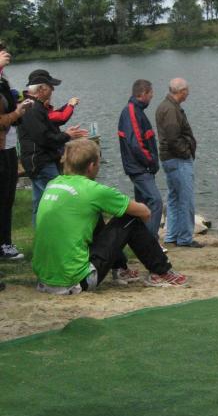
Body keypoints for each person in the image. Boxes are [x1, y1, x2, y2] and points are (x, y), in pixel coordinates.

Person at [32, 139, 188, 293]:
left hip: (45, 280)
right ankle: (162, 272)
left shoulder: (53, 184)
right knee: (130, 218)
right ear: (91, 166)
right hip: (77, 281)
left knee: (93, 214)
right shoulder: (93, 190)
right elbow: (145, 212)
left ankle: (120, 268)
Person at [17, 70, 88, 223]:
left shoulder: (36, 106)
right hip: (41, 162)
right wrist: (67, 135)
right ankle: (62, 230)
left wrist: (66, 134)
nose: (53, 90)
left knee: (40, 201)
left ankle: (41, 233)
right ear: (41, 89)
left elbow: (47, 130)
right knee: (59, 198)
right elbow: (43, 138)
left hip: (38, 161)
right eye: (51, 87)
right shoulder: (32, 109)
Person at [155, 78, 203, 248]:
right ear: (181, 91)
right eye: (187, 90)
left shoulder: (166, 106)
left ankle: (171, 236)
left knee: (174, 198)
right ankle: (184, 238)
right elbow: (173, 138)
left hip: (170, 159)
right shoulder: (170, 109)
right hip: (178, 160)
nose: (188, 93)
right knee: (185, 199)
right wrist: (186, 152)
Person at [118, 79, 162, 240]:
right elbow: (136, 144)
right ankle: (150, 243)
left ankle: (139, 241)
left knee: (142, 207)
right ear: (143, 93)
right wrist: (151, 162)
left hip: (140, 167)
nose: (152, 97)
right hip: (139, 168)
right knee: (156, 201)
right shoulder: (131, 112)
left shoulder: (137, 111)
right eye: (151, 94)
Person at [0, 44, 32, 262]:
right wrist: (17, 113)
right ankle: (4, 245)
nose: (6, 54)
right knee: (2, 197)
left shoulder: (3, 81)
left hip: (9, 146)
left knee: (7, 198)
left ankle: (5, 242)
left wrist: (20, 105)